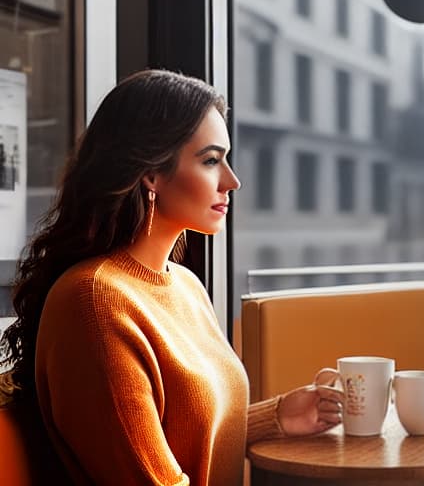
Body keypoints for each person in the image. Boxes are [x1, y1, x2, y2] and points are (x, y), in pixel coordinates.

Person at [0, 69, 343, 485]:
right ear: (152, 173)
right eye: (211, 160)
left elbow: (177, 439)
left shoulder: (185, 285)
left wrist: (276, 417)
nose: (232, 181)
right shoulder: (94, 300)